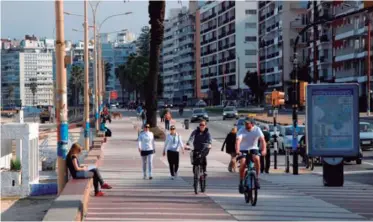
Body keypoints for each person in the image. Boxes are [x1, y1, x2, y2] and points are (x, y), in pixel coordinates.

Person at [236, 118, 266, 193]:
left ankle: (257, 178)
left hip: (253, 148)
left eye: (247, 123)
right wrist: (237, 150)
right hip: (243, 149)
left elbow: (262, 140)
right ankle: (241, 181)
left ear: (252, 124)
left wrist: (264, 150)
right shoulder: (241, 130)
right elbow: (238, 141)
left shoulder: (257, 129)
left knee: (257, 159)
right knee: (243, 163)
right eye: (245, 123)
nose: (246, 125)